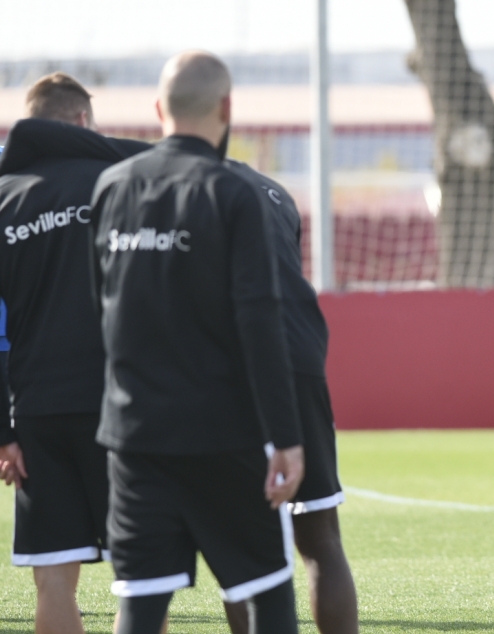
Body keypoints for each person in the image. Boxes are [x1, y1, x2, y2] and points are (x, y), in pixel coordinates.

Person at [89, 50, 304, 634]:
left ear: (158, 108)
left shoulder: (111, 187)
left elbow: (102, 314)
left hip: (135, 440)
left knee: (140, 603)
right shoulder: (234, 193)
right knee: (266, 593)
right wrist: (286, 438)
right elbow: (261, 323)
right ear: (227, 108)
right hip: (224, 437)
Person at [0, 73, 147, 634]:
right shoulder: (121, 180)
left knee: (52, 576)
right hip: (122, 404)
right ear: (84, 121)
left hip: (37, 408)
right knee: (139, 574)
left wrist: (2, 430)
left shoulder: (6, 197)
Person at [220, 160, 359, 634]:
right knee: (320, 536)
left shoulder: (190, 188)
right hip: (302, 355)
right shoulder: (277, 192)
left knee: (243, 544)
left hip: (237, 362)